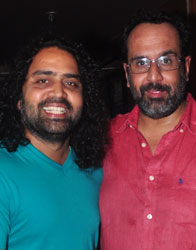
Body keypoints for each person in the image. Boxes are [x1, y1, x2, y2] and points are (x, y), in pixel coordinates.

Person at [99, 9, 196, 250]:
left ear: (185, 67)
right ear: (127, 73)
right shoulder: (101, 140)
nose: (154, 76)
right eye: (141, 63)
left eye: (166, 61)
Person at [0, 35, 108, 250]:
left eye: (71, 83)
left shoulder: (94, 170)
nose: (59, 92)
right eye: (43, 80)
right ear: (19, 100)